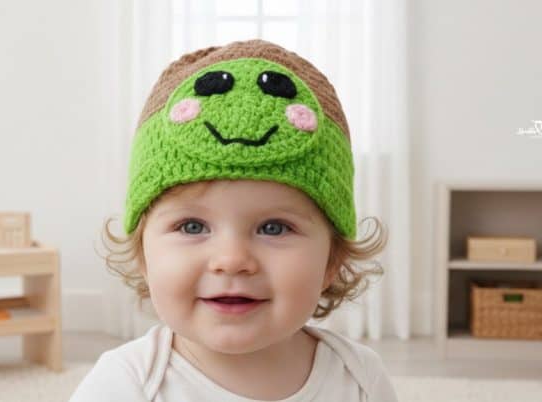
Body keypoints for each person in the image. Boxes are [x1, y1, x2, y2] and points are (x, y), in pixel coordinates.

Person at [69, 38, 399, 402]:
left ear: (332, 260)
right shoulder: (124, 384)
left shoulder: (360, 379)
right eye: (192, 226)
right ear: (143, 255)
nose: (232, 260)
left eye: (273, 227)